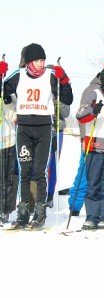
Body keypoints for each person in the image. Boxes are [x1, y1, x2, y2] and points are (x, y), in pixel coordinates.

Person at [3, 43, 73, 228]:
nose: (41, 64)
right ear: (28, 62)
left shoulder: (50, 77)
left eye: (43, 60)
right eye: (37, 60)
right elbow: (4, 93)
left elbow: (67, 99)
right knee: (24, 171)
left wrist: (64, 80)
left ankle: (40, 213)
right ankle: (23, 213)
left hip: (43, 128)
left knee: (40, 171)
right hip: (24, 128)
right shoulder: (18, 76)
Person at [68, 61, 104, 217]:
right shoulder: (92, 90)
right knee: (87, 177)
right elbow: (82, 114)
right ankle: (76, 205)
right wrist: (82, 138)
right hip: (91, 141)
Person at [0, 58, 17, 224]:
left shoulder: (9, 93)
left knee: (5, 178)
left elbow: (14, 117)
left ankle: (4, 209)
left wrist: (9, 103)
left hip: (6, 141)